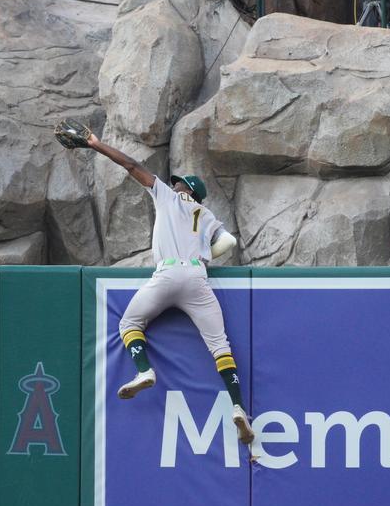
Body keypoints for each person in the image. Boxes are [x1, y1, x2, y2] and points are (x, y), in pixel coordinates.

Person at [73, 128, 254, 446]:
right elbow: (230, 241)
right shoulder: (205, 213)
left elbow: (131, 165)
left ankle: (144, 371)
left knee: (129, 324)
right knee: (220, 347)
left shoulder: (168, 197)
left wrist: (96, 144)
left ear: (186, 189)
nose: (175, 183)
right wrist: (202, 255)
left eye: (179, 182)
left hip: (168, 275)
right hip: (198, 279)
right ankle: (238, 406)